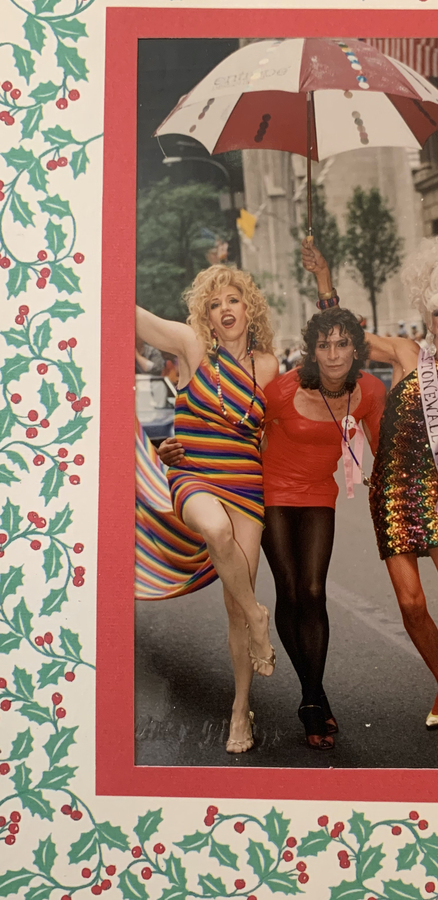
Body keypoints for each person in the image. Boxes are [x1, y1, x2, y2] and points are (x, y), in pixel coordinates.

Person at [303, 235, 438, 749]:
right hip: (393, 495)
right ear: (428, 314)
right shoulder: (406, 354)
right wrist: (324, 278)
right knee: (411, 603)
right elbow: (349, 332)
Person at [160, 305, 387, 751]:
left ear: (357, 349)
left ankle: (310, 693)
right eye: (324, 346)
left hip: (320, 493)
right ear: (312, 352)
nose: (334, 354)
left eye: (343, 344)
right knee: (290, 590)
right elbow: (236, 430)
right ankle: (313, 699)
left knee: (315, 591)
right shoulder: (282, 389)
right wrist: (181, 450)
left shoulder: (372, 391)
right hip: (273, 491)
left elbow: (383, 446)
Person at [135, 264, 279, 755]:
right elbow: (134, 318)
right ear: (206, 315)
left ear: (248, 306)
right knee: (215, 531)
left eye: (232, 300)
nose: (224, 310)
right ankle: (263, 620)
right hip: (193, 474)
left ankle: (241, 710)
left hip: (245, 482)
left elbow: (270, 434)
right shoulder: (193, 347)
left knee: (234, 609)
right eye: (214, 304)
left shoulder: (269, 365)